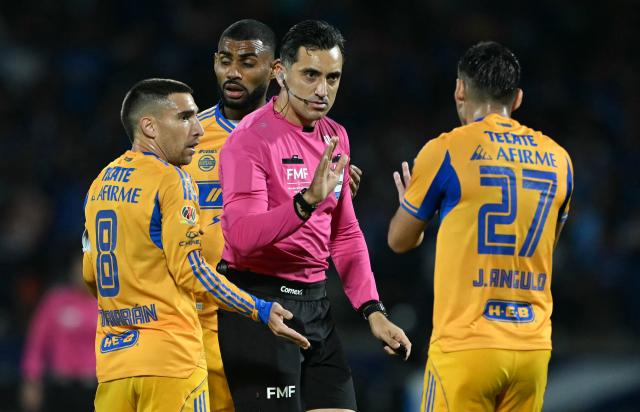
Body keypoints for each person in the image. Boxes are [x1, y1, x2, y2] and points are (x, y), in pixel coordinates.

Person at [217, 20, 411, 412]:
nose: (322, 90)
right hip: (259, 304)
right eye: (310, 75)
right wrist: (306, 202)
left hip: (316, 304)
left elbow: (345, 234)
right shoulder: (249, 139)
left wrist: (373, 310)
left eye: (333, 77)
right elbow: (240, 236)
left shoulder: (335, 136)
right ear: (280, 73)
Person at [82, 78, 309, 411]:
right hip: (171, 362)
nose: (198, 130)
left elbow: (91, 275)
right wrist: (258, 309)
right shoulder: (172, 179)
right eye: (184, 117)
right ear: (149, 126)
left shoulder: (98, 184)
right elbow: (192, 272)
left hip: (115, 366)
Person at [182, 19, 363, 412]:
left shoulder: (313, 138)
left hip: (270, 311)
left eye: (248, 62)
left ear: (273, 69)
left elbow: (337, 228)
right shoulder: (186, 137)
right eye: (225, 60)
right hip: (196, 325)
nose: (234, 72)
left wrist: (332, 192)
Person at [388, 41, 574, 411]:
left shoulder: (446, 150)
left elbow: (399, 241)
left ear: (459, 89)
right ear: (517, 99)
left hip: (466, 346)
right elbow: (551, 242)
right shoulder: (559, 159)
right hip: (532, 348)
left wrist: (410, 208)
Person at [21, 254, 97, 412]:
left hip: (94, 387)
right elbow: (37, 343)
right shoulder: (55, 300)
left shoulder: (105, 303)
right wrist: (32, 380)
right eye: (80, 267)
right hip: (60, 387)